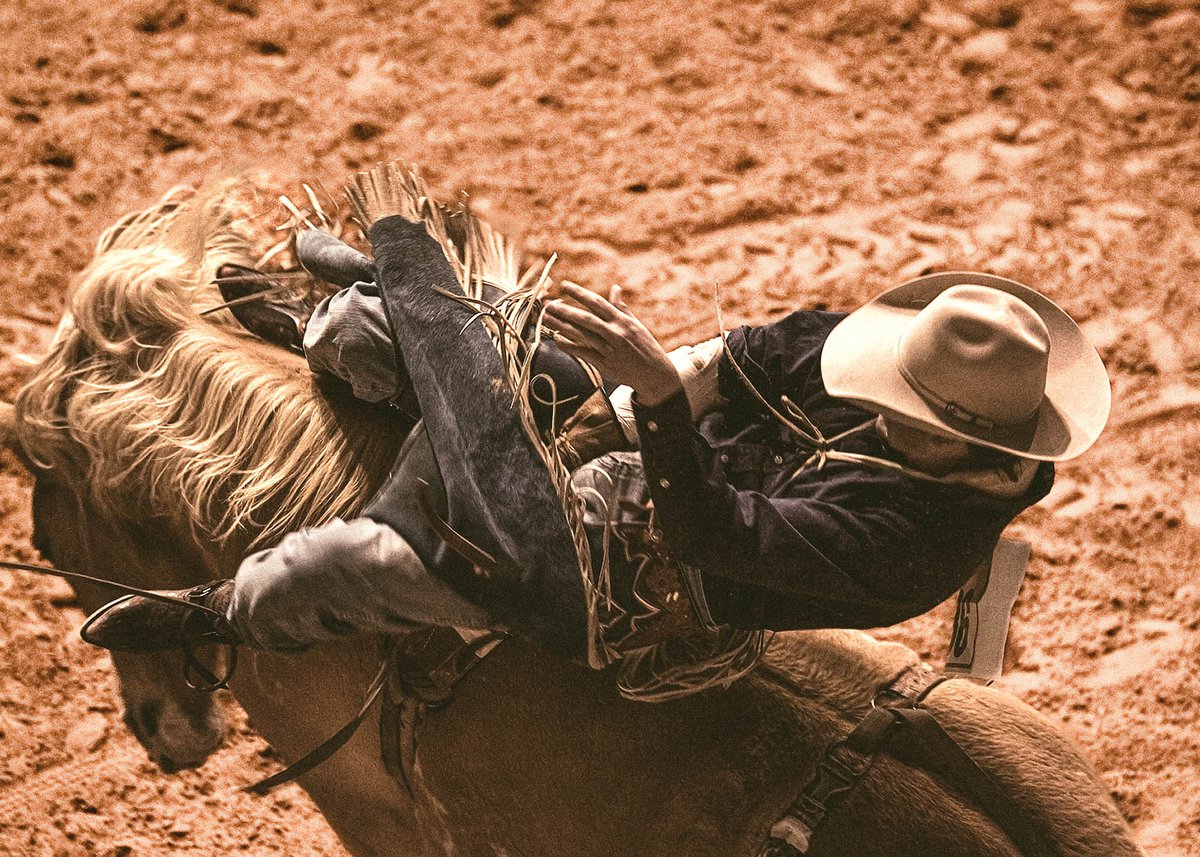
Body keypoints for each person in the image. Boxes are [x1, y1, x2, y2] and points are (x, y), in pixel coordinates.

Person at [83, 164, 1111, 689]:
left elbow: (716, 538)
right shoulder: (909, 353)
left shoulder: (911, 549)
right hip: (656, 442)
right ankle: (339, 319)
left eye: (903, 410)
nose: (879, 399)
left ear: (977, 447)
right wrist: (615, 411)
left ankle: (215, 611)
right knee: (444, 335)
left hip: (640, 580)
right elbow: (755, 355)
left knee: (336, 566)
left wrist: (654, 409)